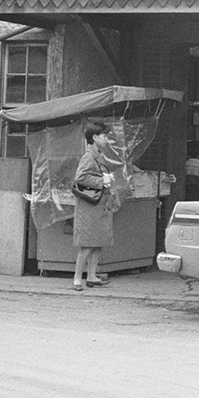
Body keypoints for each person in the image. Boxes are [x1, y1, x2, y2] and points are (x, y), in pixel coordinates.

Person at [72, 122, 116, 292]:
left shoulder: (97, 154)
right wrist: (101, 181)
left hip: (97, 205)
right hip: (90, 205)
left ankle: (91, 276)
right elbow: (80, 177)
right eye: (104, 136)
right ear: (95, 137)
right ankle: (77, 278)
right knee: (88, 244)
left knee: (98, 242)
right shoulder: (89, 156)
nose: (106, 139)